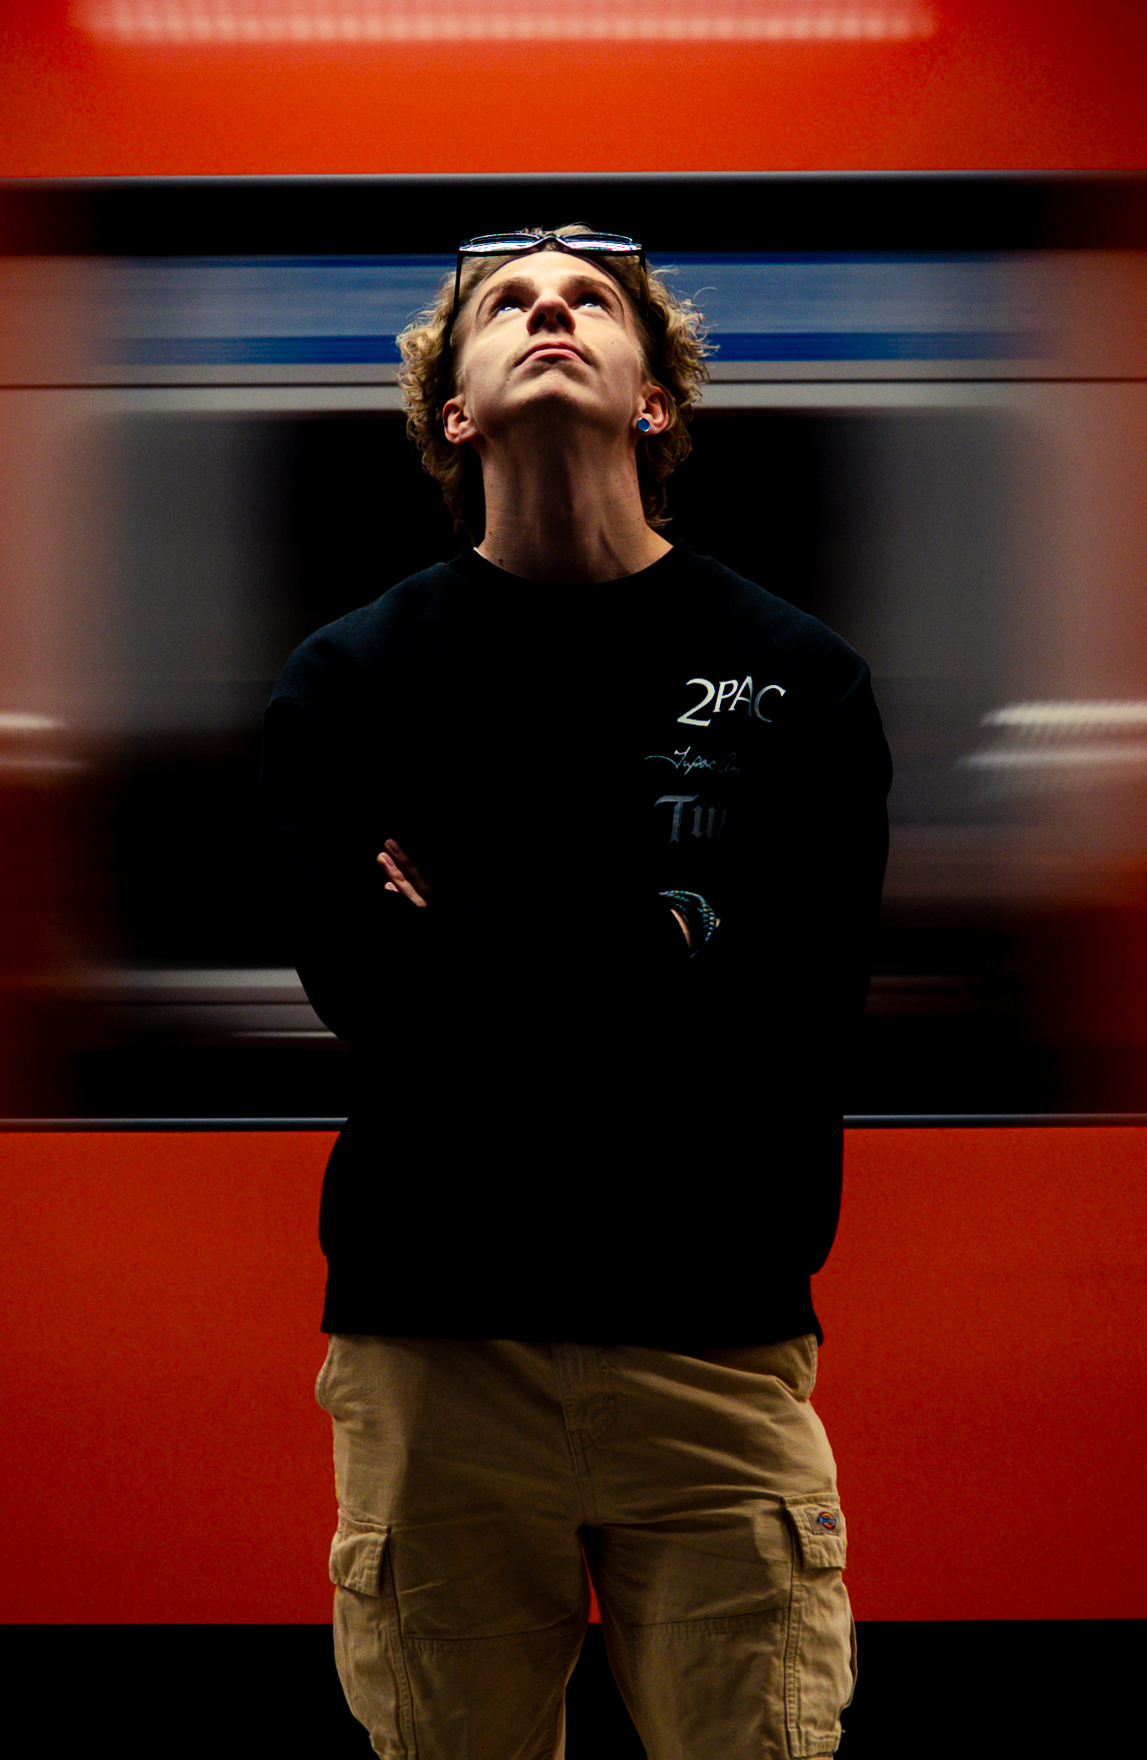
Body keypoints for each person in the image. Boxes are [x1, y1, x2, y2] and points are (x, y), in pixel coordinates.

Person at [263, 224, 891, 1759]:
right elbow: (369, 995)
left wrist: (468, 922)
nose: (551, 310)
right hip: (436, 1346)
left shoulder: (795, 677)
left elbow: (791, 1012)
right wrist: (662, 936)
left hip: (714, 1339)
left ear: (652, 401)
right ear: (455, 411)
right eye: (509, 306)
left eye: (590, 301)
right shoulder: (345, 680)